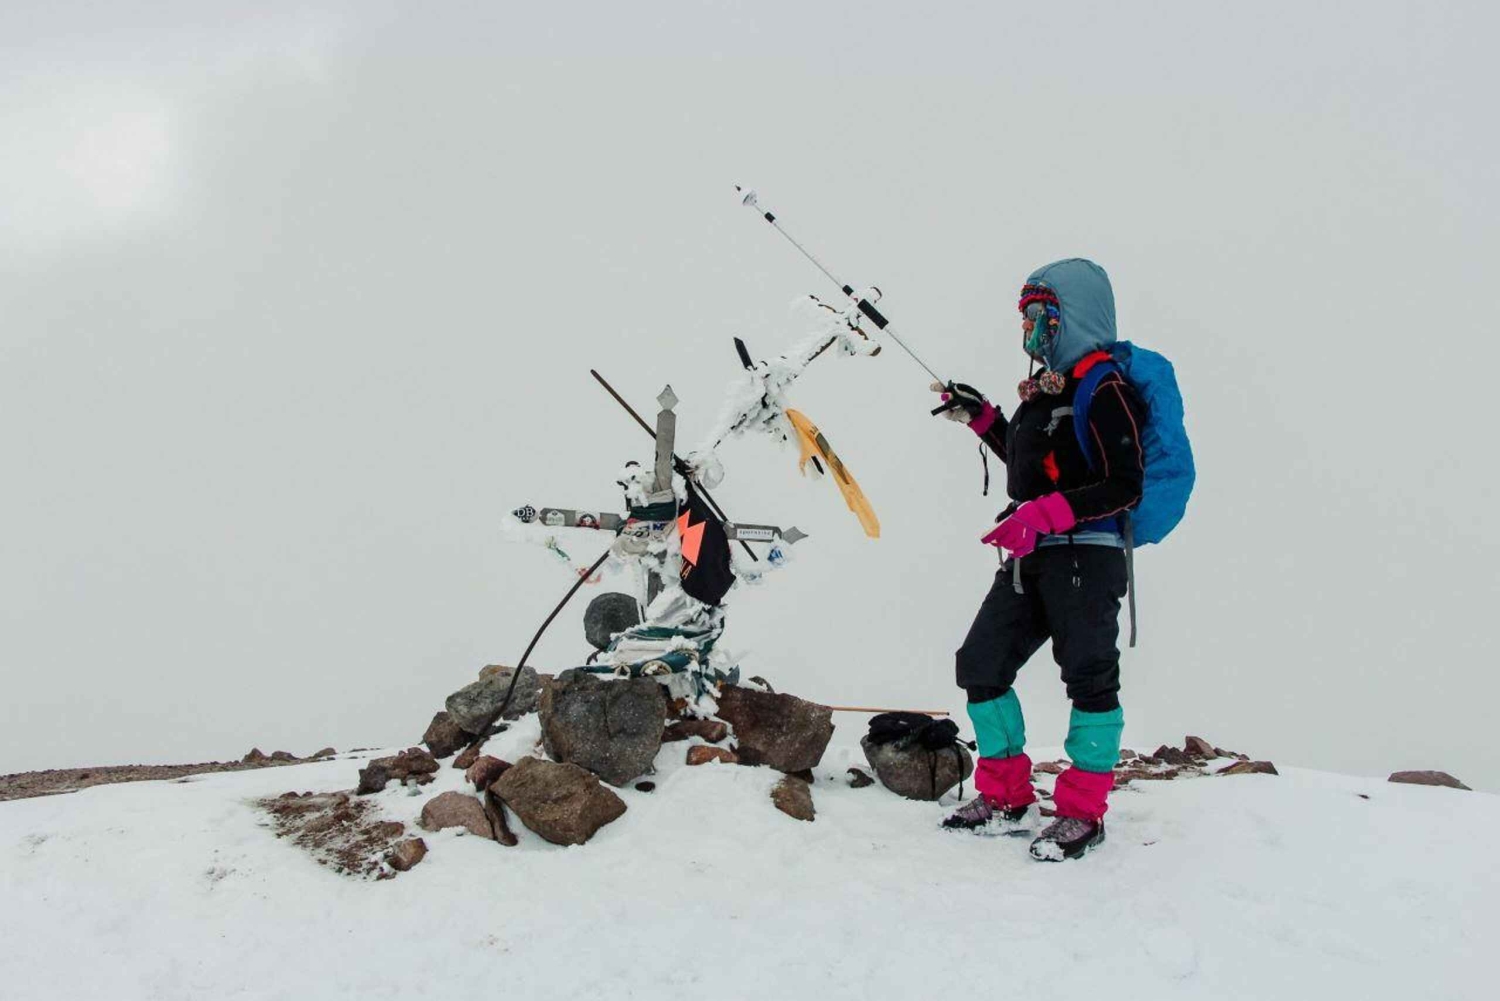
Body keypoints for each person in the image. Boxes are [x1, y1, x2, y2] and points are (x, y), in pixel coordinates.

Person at [933, 258, 1145, 861]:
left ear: (1070, 315)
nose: (1030, 329)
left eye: (1039, 315)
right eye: (1024, 316)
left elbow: (1124, 483)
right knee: (980, 662)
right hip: (1032, 557)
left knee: (1089, 679)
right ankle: (1006, 797)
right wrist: (984, 419)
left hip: (1088, 557)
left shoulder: (1105, 386)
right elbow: (1033, 470)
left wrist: (1046, 514)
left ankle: (1082, 813)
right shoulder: (1047, 391)